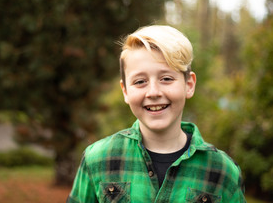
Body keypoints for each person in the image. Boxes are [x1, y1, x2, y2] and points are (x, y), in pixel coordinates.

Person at [66, 25, 246, 202]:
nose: (153, 92)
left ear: (189, 85)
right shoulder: (97, 159)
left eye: (166, 79)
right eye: (140, 81)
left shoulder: (223, 172)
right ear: (125, 91)